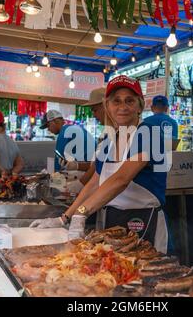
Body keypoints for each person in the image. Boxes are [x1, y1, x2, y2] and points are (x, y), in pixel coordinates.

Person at [31, 76, 170, 253]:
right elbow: (95, 181)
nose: (123, 107)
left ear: (140, 106)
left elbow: (121, 179)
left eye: (130, 100)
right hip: (111, 220)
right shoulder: (109, 141)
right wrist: (64, 218)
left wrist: (82, 212)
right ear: (108, 106)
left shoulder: (149, 134)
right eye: (116, 101)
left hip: (143, 222)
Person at [66, 87, 106, 194]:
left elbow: (99, 167)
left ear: (106, 106)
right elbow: (96, 164)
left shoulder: (119, 133)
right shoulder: (106, 132)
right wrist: (77, 165)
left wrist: (81, 184)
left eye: (95, 110)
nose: (93, 114)